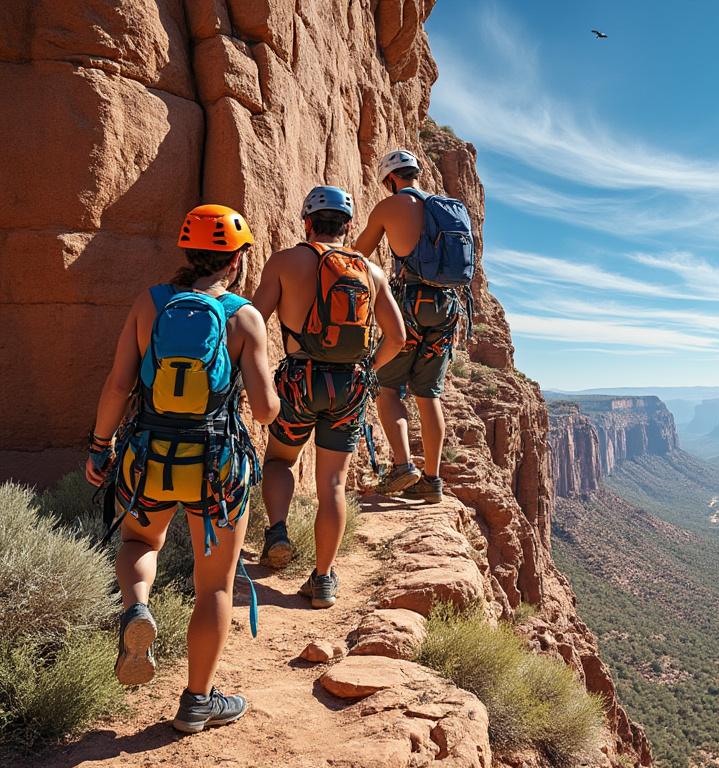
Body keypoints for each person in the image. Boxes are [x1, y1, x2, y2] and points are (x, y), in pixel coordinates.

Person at [86, 204, 279, 733]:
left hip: (149, 457)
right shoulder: (244, 317)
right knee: (214, 585)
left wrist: (99, 447)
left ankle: (136, 608)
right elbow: (265, 410)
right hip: (215, 468)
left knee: (139, 544)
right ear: (237, 261)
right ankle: (197, 702)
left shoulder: (150, 304)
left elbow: (118, 385)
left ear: (188, 253)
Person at [252, 185, 405, 608]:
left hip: (299, 382)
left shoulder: (286, 261)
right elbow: (398, 337)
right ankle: (323, 579)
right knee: (333, 483)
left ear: (307, 222)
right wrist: (369, 369)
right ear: (349, 226)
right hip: (349, 387)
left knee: (281, 459)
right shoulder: (371, 273)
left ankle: (277, 532)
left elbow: (254, 320)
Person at [355, 149, 475, 504]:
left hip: (410, 304)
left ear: (390, 179)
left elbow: (358, 254)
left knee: (387, 386)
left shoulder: (389, 207)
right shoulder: (446, 209)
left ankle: (403, 464)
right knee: (429, 394)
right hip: (447, 308)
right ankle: (433, 480)